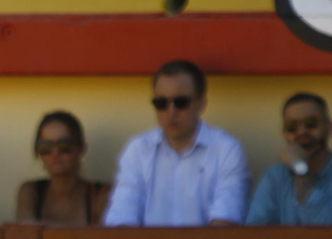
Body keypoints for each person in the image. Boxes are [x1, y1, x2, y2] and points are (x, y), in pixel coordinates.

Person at [102, 60, 249, 226]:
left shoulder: (226, 150)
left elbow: (226, 221)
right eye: (161, 103)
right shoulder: (138, 149)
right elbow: (121, 218)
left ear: (202, 104)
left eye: (181, 102)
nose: (171, 112)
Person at [246, 93, 332, 226]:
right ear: (284, 133)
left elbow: (325, 230)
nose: (302, 131)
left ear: (329, 128)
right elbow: (254, 231)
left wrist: (300, 169)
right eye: (292, 127)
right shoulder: (274, 176)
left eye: (311, 123)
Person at [15, 111, 110, 226]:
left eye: (64, 145)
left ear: (81, 148)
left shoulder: (100, 195)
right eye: (45, 146)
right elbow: (25, 229)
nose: (55, 153)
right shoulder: (31, 191)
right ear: (38, 151)